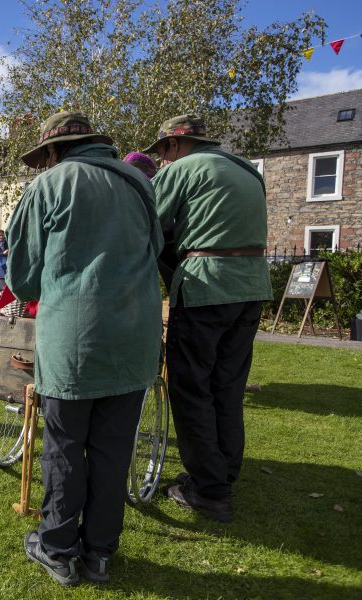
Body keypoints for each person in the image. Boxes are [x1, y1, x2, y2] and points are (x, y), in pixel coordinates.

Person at [6, 111, 162, 586]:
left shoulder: (50, 184)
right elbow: (158, 247)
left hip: (76, 339)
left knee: (66, 447)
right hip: (135, 338)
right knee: (113, 450)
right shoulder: (141, 183)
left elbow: (22, 276)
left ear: (53, 151)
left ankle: (57, 547)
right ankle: (98, 554)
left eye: (43, 157)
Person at [144, 114, 272, 523]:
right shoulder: (247, 169)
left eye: (161, 151)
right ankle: (222, 474)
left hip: (206, 288)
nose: (161, 160)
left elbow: (148, 226)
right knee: (227, 387)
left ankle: (209, 491)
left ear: (174, 145)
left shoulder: (182, 170)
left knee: (191, 388)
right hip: (251, 288)